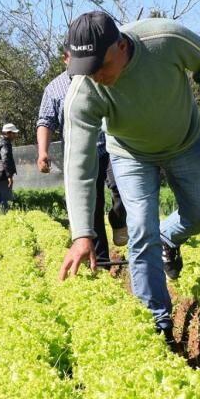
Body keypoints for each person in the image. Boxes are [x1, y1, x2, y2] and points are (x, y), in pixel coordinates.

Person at [58, 11, 200, 345]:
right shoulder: (83, 91)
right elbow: (78, 166)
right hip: (130, 154)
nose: (94, 76)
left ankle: (168, 237)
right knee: (140, 228)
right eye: (86, 69)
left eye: (100, 65)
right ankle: (157, 320)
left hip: (185, 142)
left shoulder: (165, 39)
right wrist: (81, 233)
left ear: (121, 46)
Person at [37, 54, 127, 263]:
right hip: (81, 155)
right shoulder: (54, 88)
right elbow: (45, 121)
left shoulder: (100, 76)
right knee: (91, 208)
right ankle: (101, 260)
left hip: (111, 147)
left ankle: (118, 217)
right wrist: (43, 152)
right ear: (65, 58)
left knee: (121, 189)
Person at [0, 123, 20, 213]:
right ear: (8, 133)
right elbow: (5, 159)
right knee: (7, 198)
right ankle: (6, 215)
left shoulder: (0, 141)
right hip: (3, 174)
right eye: (14, 133)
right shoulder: (5, 144)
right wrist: (9, 176)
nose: (15, 135)